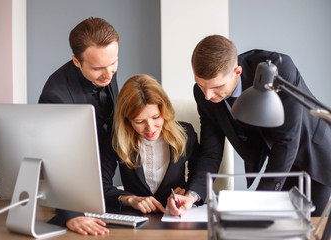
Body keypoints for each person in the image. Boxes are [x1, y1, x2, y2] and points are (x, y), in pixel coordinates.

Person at [168, 34, 331, 217]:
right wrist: (192, 195)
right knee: (273, 227)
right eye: (201, 85)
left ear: (236, 72)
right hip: (278, 159)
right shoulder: (203, 94)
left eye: (216, 87)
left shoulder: (278, 70)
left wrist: (259, 200)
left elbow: (286, 141)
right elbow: (210, 151)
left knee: (307, 227)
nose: (207, 95)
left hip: (313, 154)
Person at [39, 17, 120, 235]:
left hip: (100, 190)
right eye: (98, 68)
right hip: (67, 194)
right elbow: (54, 160)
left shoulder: (106, 69)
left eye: (113, 63)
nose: (108, 74)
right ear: (77, 61)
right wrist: (70, 214)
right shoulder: (55, 96)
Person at [104, 74, 201, 213]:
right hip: (136, 219)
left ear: (165, 111)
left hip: (176, 215)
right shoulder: (116, 139)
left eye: (156, 117)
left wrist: (188, 193)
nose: (150, 128)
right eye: (139, 121)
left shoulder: (186, 134)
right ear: (127, 120)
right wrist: (130, 199)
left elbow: (199, 174)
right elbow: (101, 186)